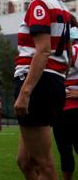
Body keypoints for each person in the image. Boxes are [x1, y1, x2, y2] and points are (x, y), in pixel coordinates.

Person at [10, 0, 70, 180]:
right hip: (51, 82)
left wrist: (25, 92)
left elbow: (43, 50)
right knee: (25, 161)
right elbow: (67, 54)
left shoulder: (39, 5)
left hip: (38, 83)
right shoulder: (60, 6)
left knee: (43, 164)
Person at [53, 19, 78, 180]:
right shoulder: (57, 49)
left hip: (73, 108)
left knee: (66, 150)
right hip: (60, 108)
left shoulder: (73, 50)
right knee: (64, 150)